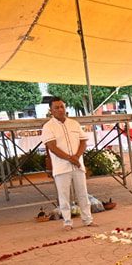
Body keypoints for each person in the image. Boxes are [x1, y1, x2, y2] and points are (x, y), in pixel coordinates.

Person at [41, 96, 94, 231]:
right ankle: (67, 222)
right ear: (51, 110)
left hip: (77, 165)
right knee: (64, 196)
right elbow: (52, 147)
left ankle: (87, 219)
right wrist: (70, 158)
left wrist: (76, 157)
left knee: (83, 193)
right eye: (56, 107)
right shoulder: (48, 127)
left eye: (62, 107)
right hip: (61, 167)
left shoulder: (74, 123)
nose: (60, 110)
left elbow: (83, 141)